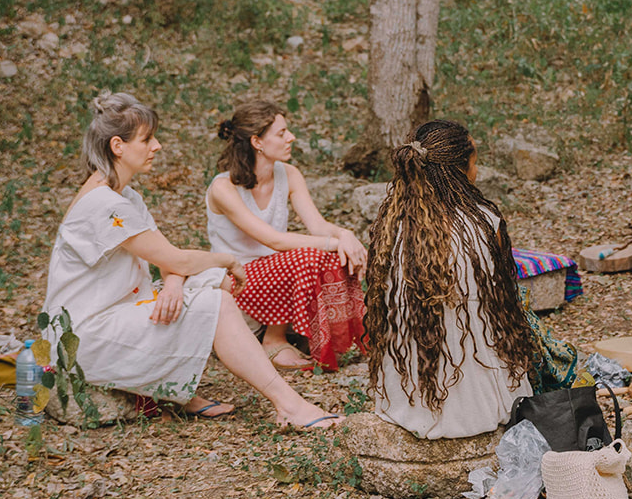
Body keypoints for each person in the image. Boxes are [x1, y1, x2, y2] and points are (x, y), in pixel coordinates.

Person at [42, 92, 341, 429]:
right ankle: (290, 405)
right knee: (216, 299)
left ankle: (189, 393)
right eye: (147, 139)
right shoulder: (105, 205)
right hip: (83, 336)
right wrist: (225, 259)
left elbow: (167, 258)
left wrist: (173, 282)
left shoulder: (123, 195)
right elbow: (177, 259)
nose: (157, 146)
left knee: (212, 290)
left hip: (116, 312)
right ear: (117, 146)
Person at [365, 120, 541, 439]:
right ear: (460, 170)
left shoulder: (391, 230)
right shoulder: (485, 224)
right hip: (485, 406)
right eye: (475, 161)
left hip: (406, 400)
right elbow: (504, 308)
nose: (478, 169)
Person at [205, 100, 368, 372]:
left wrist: (346, 235)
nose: (291, 137)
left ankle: (328, 337)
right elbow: (274, 241)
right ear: (257, 142)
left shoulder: (289, 174)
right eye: (281, 133)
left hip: (274, 274)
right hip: (237, 276)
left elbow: (317, 225)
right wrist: (334, 243)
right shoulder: (223, 188)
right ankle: (273, 340)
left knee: (331, 258)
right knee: (307, 257)